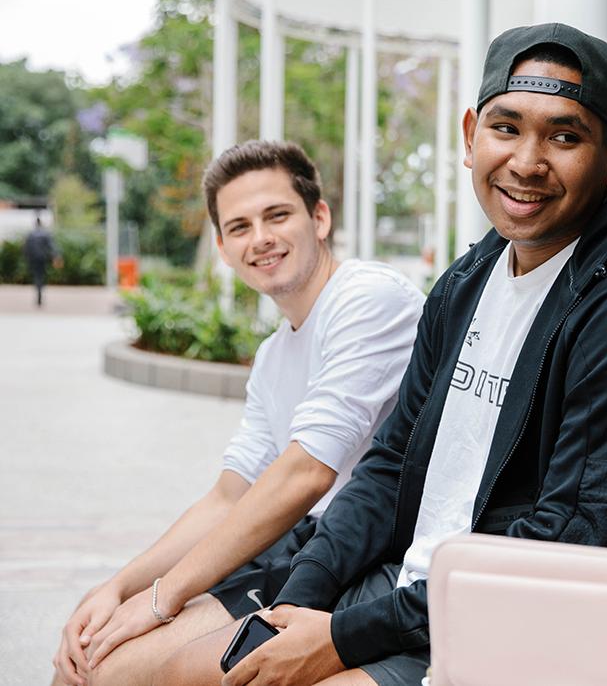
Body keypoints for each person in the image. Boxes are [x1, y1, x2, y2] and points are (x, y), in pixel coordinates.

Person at [154, 22, 607, 686]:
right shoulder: (471, 276)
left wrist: (339, 638)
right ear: (469, 136)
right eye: (506, 128)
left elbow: (568, 541)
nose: (527, 161)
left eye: (565, 136)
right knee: (170, 674)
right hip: (406, 589)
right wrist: (299, 601)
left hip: (515, 632)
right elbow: (392, 461)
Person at [52, 140, 425, 686]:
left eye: (277, 215)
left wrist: (162, 599)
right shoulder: (275, 354)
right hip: (301, 542)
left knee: (115, 670)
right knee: (88, 656)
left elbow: (306, 471)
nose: (262, 239)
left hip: (366, 558)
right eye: (241, 227)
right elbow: (229, 495)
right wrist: (119, 586)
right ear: (224, 248)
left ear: (319, 218)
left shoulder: (368, 299)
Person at [24, 215, 58, 307]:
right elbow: (52, 246)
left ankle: (38, 291)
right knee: (41, 276)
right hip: (42, 258)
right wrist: (56, 256)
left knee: (36, 276)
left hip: (33, 259)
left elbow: (26, 248)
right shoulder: (45, 233)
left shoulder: (31, 234)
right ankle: (40, 292)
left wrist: (27, 258)